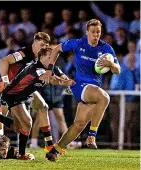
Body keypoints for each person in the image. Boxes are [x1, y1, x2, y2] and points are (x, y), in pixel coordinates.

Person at [43, 19, 121, 161]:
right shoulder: (78, 43)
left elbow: (117, 70)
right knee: (104, 98)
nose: (96, 35)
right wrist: (49, 69)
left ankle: (54, 151)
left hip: (93, 89)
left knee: (78, 125)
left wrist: (111, 64)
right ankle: (92, 135)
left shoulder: (106, 49)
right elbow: (56, 49)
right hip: (79, 86)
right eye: (93, 32)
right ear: (87, 32)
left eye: (98, 32)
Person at [0, 47, 75, 159]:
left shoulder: (51, 67)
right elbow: (52, 80)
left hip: (25, 95)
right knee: (26, 123)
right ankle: (22, 154)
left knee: (21, 125)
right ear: (41, 57)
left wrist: (68, 83)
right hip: (12, 95)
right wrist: (67, 83)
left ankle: (48, 145)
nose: (52, 60)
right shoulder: (37, 69)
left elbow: (62, 76)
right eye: (49, 57)